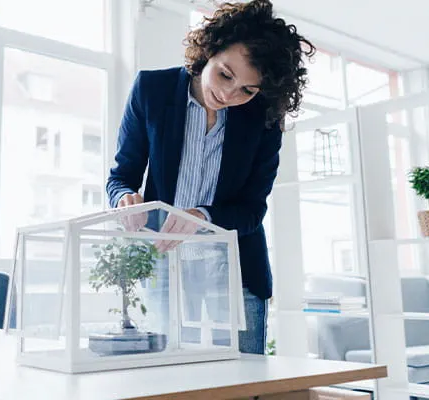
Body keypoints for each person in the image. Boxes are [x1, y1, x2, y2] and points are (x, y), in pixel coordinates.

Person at [105, 0, 315, 354]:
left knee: (242, 379)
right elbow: (120, 177)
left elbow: (251, 210)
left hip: (235, 269)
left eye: (248, 90)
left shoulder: (263, 119)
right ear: (208, 51)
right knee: (170, 376)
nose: (229, 95)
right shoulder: (151, 91)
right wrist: (124, 198)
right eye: (225, 75)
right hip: (164, 264)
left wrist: (202, 216)